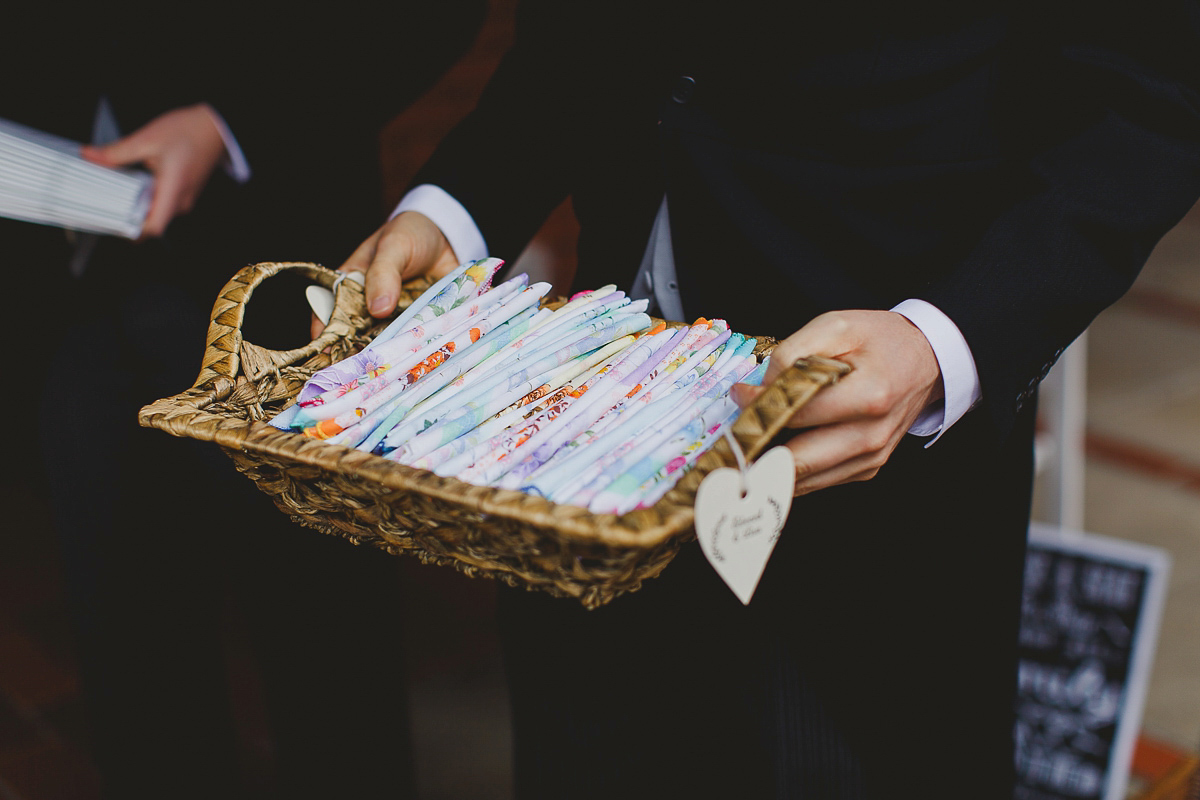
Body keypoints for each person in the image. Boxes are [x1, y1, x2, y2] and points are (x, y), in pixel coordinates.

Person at [329, 2, 1200, 798]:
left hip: (874, 468)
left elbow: (1154, 98)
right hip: (580, 462)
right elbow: (578, 43)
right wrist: (456, 205)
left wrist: (949, 340)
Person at [4, 4, 485, 798]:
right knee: (128, 642)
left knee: (324, 639)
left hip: (281, 281)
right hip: (67, 280)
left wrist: (229, 124)